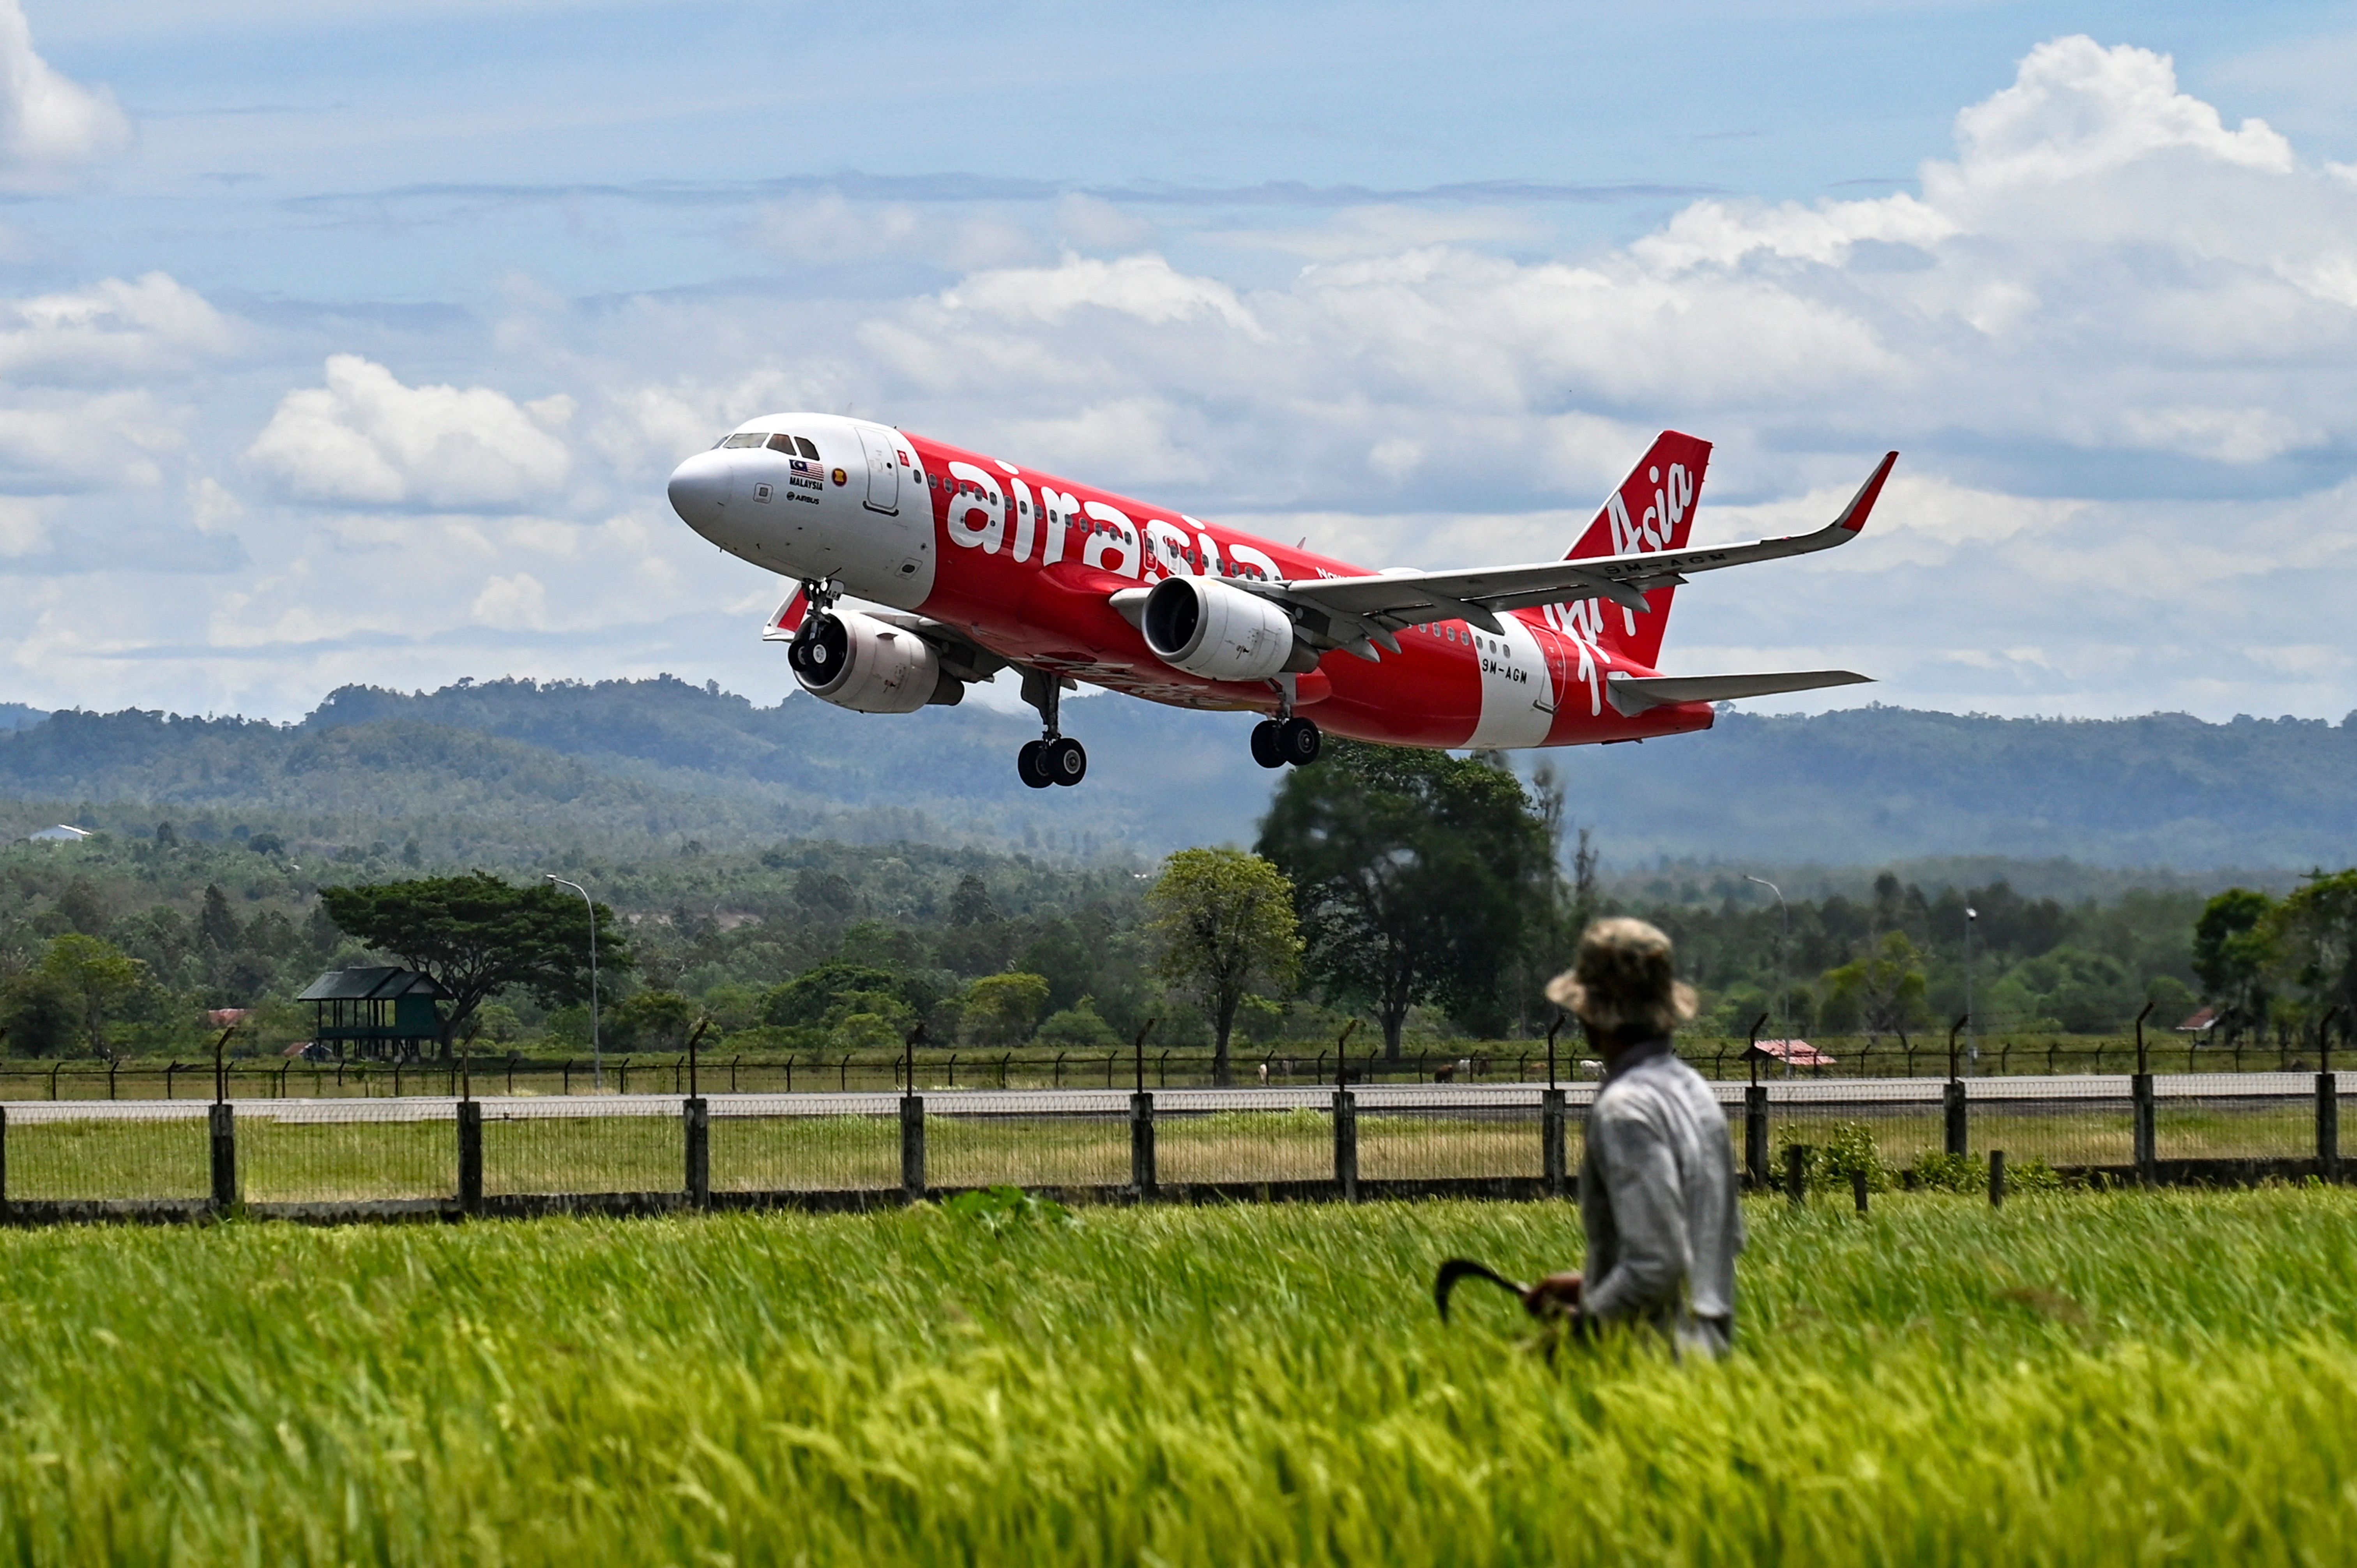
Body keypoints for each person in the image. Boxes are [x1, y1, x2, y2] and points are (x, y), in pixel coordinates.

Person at [1526, 917, 1743, 1358]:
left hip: (1651, 1359)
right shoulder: (1696, 1093)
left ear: (1591, 1012)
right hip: (1710, 1362)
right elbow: (1713, 1244)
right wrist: (1595, 1285)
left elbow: (1656, 1265)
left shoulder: (1626, 1111)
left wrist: (1580, 1329)